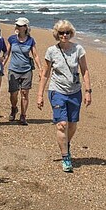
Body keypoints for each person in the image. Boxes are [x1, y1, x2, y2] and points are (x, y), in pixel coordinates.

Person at [36, 20, 92, 173]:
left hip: (75, 92)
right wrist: (40, 94)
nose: (64, 35)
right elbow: (46, 73)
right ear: (57, 34)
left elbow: (84, 70)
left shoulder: (78, 49)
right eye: (61, 33)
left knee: (72, 124)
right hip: (57, 91)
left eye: (67, 32)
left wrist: (88, 91)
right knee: (62, 124)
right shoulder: (51, 51)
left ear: (71, 33)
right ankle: (66, 157)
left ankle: (65, 143)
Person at [7, 17, 43, 125]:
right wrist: (0, 66)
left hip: (26, 70)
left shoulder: (30, 41)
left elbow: (35, 55)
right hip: (13, 69)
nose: (18, 27)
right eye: (17, 25)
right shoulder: (11, 39)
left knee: (24, 93)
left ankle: (23, 115)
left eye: (20, 25)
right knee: (13, 94)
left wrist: (40, 69)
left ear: (26, 28)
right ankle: (14, 108)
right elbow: (6, 54)